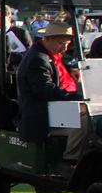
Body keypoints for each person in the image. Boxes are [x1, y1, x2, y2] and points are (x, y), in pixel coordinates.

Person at [16, 21, 88, 161]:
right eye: (61, 43)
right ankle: (70, 160)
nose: (65, 48)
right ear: (47, 39)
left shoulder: (47, 55)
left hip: (57, 108)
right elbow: (44, 89)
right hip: (41, 112)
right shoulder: (37, 58)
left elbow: (55, 71)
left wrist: (69, 70)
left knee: (92, 115)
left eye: (67, 44)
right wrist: (75, 96)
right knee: (86, 121)